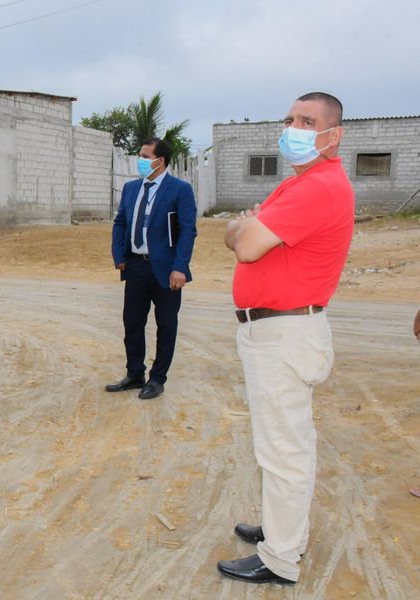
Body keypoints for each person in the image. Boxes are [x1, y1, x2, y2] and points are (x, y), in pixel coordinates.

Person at [217, 92, 354, 585]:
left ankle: (280, 557)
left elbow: (247, 244)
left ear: (333, 135)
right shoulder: (297, 184)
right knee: (281, 443)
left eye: (308, 121)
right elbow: (241, 233)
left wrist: (244, 227)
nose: (294, 128)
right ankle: (283, 530)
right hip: (277, 329)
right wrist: (244, 227)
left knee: (284, 449)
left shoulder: (317, 188)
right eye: (291, 118)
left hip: (285, 333)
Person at [107, 137, 197, 400]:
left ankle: (157, 379)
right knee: (132, 322)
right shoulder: (131, 188)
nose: (141, 160)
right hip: (135, 265)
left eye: (146, 157)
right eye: (140, 155)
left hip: (167, 270)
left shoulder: (180, 190)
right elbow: (120, 223)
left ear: (161, 161)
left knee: (166, 324)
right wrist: (119, 255)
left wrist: (180, 267)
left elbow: (187, 231)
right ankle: (135, 373)